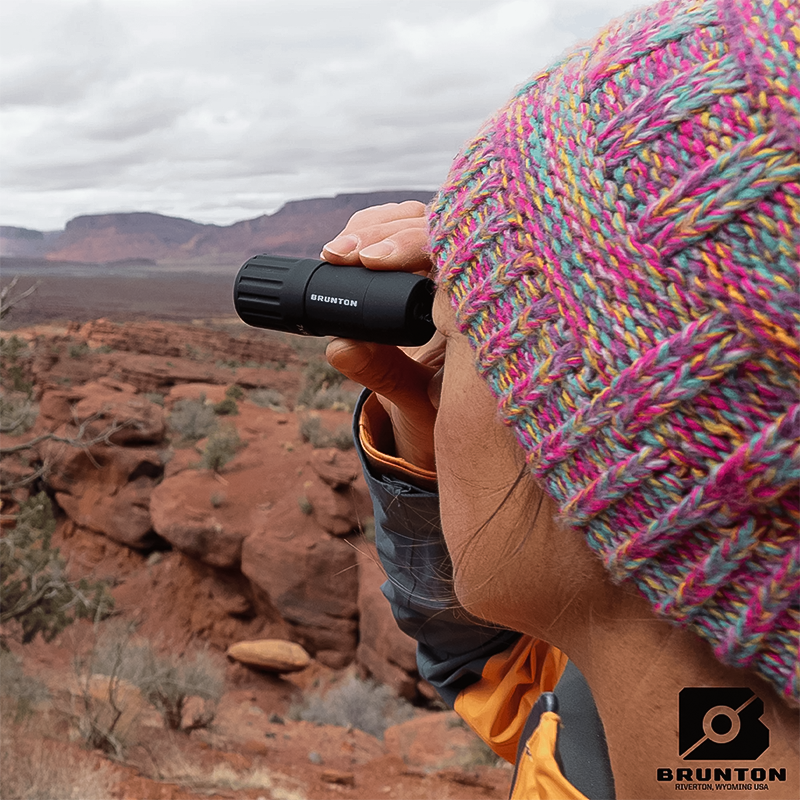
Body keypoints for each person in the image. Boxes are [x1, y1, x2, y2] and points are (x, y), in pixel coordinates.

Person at [321, 0, 799, 797]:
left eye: (474, 325)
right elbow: (490, 667)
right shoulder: (615, 717)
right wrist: (422, 429)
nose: (445, 360)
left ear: (614, 455)